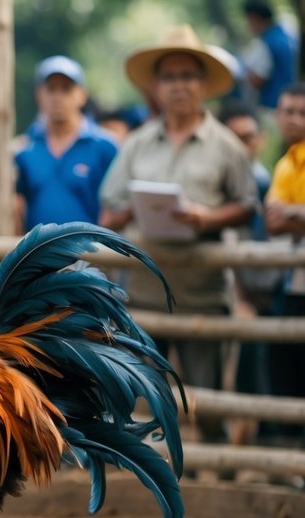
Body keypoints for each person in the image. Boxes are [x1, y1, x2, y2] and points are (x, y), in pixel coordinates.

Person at [99, 25, 258, 449]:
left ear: (203, 84)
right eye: (169, 77)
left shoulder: (226, 145)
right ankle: (143, 477)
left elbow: (247, 205)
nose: (179, 85)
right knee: (139, 393)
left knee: (206, 400)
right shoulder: (135, 144)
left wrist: (205, 218)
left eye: (188, 76)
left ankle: (216, 473)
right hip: (145, 294)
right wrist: (136, 208)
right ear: (156, 86)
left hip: (202, 294)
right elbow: (108, 212)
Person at [14, 55, 117, 232]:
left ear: (82, 95)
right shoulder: (25, 148)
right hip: (36, 255)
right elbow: (17, 205)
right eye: (51, 89)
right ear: (39, 94)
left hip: (93, 255)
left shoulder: (104, 146)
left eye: (66, 89)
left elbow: (115, 208)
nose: (57, 97)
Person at [260, 82, 305, 451]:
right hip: (292, 287)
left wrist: (292, 213)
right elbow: (273, 221)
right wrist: (295, 215)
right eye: (288, 111)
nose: (294, 119)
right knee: (287, 374)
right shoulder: (286, 162)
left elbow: (281, 217)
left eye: (302, 112)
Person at [242, 0, 299, 110]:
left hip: (274, 105)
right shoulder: (288, 36)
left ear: (255, 18)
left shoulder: (266, 43)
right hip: (294, 102)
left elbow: (258, 79)